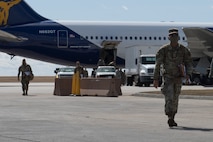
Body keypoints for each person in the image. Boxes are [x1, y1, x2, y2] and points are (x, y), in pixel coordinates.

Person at [153, 28, 193, 127]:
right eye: (172, 36)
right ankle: (169, 116)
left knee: (175, 98)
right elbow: (157, 65)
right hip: (168, 78)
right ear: (169, 37)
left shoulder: (184, 50)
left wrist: (188, 74)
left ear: (178, 37)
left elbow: (189, 63)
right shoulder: (163, 50)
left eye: (175, 36)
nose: (174, 38)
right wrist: (155, 79)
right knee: (169, 97)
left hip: (178, 78)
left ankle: (173, 116)